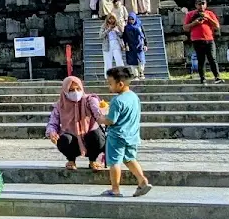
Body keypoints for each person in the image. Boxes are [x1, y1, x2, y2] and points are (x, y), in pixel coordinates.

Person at [100, 66, 151, 197]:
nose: (109, 87)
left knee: (114, 162)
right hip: (132, 135)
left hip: (117, 136)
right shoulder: (134, 97)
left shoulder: (117, 101)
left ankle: (115, 189)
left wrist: (101, 118)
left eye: (110, 84)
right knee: (130, 159)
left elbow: (111, 120)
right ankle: (142, 180)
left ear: (120, 84)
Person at [45, 77, 106, 170]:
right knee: (64, 139)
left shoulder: (90, 100)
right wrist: (52, 132)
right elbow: (53, 123)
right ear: (65, 91)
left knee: (96, 135)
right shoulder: (60, 105)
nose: (76, 92)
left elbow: (97, 112)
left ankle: (93, 160)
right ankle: (71, 160)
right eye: (71, 90)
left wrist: (102, 112)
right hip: (73, 139)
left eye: (78, 89)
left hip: (89, 138)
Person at [183, 0, 224, 85]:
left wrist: (208, 18)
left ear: (205, 5)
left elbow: (217, 26)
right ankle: (203, 78)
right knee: (201, 60)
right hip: (197, 39)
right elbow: (185, 28)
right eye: (199, 4)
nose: (201, 6)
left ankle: (217, 77)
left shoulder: (209, 13)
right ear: (195, 5)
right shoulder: (190, 14)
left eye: (203, 4)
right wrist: (195, 23)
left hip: (209, 39)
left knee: (212, 58)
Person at [123, 12, 147, 79]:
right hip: (130, 46)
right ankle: (135, 74)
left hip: (140, 45)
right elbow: (125, 37)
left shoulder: (139, 25)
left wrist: (145, 44)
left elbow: (143, 35)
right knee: (132, 61)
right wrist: (126, 45)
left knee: (141, 60)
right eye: (129, 19)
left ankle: (141, 73)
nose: (131, 21)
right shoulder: (126, 27)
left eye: (132, 19)